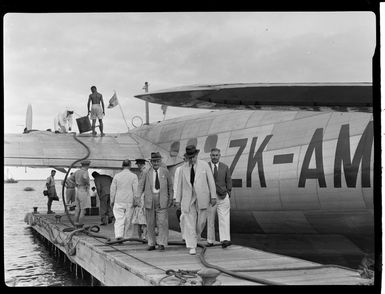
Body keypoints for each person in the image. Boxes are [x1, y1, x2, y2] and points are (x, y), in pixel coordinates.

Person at [175, 145, 217, 255]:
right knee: (189, 221)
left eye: (193, 157)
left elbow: (211, 181)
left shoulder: (204, 166)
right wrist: (177, 200)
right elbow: (179, 185)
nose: (192, 159)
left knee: (201, 221)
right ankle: (192, 245)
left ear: (197, 155)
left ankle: (196, 233)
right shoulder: (183, 168)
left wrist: (213, 196)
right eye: (190, 157)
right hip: (188, 197)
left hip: (202, 196)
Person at [137, 152, 173, 251]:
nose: (156, 163)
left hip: (162, 200)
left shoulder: (165, 172)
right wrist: (137, 197)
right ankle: (151, 243)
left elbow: (170, 186)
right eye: (154, 161)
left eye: (157, 161)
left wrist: (170, 198)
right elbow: (140, 186)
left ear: (160, 161)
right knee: (150, 222)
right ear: (151, 162)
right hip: (149, 200)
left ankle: (161, 243)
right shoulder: (146, 172)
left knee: (162, 222)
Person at [206, 148, 233, 248]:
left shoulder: (225, 167)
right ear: (210, 156)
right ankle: (210, 240)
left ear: (219, 156)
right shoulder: (206, 167)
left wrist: (228, 192)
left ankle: (225, 239)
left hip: (222, 195)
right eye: (213, 155)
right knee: (210, 218)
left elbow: (228, 180)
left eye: (216, 155)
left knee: (224, 218)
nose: (215, 157)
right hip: (210, 197)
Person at [110, 159, 138, 241]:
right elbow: (136, 190)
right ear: (130, 166)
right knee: (128, 219)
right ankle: (127, 237)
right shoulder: (134, 176)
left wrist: (112, 200)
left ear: (122, 166)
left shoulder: (117, 176)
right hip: (129, 200)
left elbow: (113, 189)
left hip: (118, 200)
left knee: (119, 219)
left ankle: (119, 235)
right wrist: (136, 200)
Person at [71, 160, 92, 228]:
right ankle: (79, 226)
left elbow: (70, 178)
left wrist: (76, 184)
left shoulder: (77, 171)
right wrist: (86, 183)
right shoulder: (85, 172)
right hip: (83, 190)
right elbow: (85, 178)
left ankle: (75, 225)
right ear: (87, 165)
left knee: (77, 209)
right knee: (83, 210)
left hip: (78, 190)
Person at [173, 156, 188, 241]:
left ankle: (190, 234)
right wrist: (176, 198)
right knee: (182, 216)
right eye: (186, 159)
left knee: (191, 216)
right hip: (182, 196)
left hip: (192, 197)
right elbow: (176, 183)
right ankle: (184, 235)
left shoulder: (194, 168)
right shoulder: (179, 169)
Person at [134, 159, 148, 240]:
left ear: (140, 164)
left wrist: (137, 198)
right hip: (148, 195)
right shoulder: (148, 170)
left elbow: (141, 185)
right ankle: (144, 235)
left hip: (144, 196)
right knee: (145, 216)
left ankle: (143, 235)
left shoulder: (144, 172)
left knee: (142, 217)